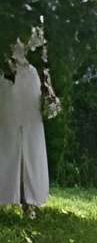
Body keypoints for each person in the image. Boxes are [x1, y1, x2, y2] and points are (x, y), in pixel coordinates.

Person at [0, 29, 59, 216]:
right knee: (7, 139)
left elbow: (43, 52)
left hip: (28, 81)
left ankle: (29, 201)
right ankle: (6, 195)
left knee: (31, 141)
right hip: (7, 83)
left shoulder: (33, 19)